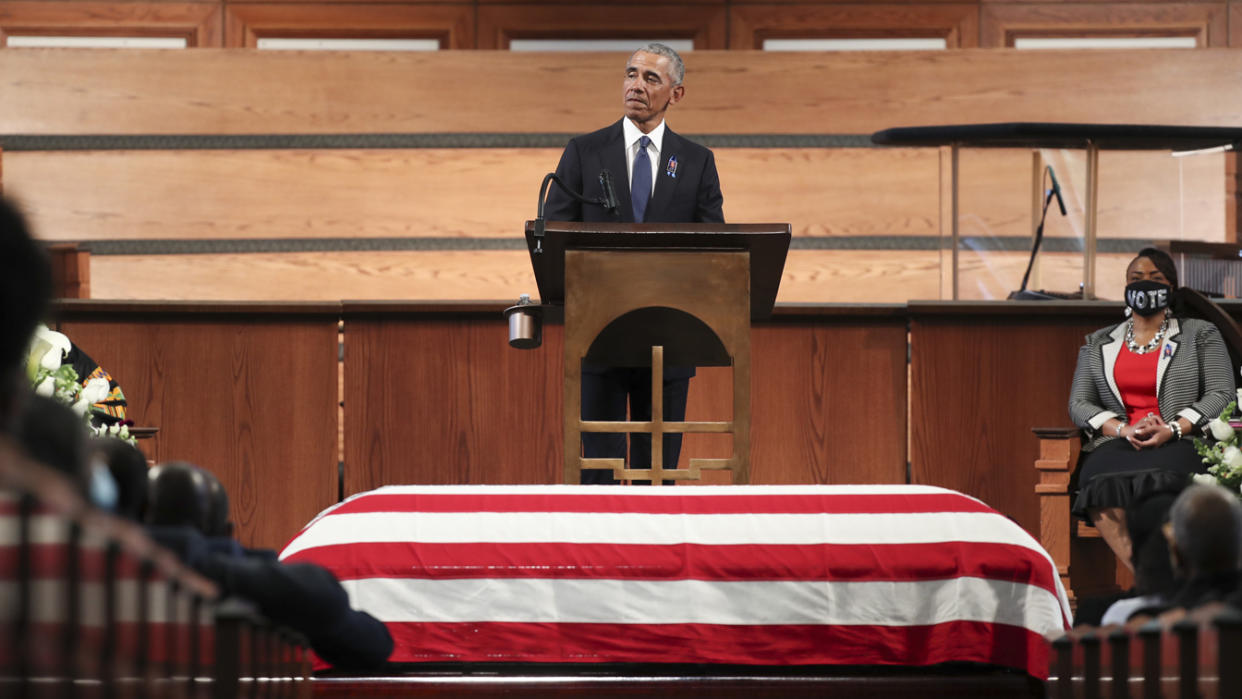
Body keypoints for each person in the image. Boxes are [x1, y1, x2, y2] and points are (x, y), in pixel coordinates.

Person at [544, 43, 725, 484]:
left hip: (669, 336)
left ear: (675, 94)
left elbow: (714, 248)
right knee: (600, 468)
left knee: (656, 473)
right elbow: (554, 235)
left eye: (650, 79)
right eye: (631, 74)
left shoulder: (697, 162)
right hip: (600, 331)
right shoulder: (585, 152)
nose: (636, 86)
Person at [1069, 248, 1236, 568]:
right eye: (1136, 278)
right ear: (1125, 288)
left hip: (1181, 439)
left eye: (1155, 279)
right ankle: (1151, 580)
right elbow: (1078, 403)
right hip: (1119, 441)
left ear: (1171, 288)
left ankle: (1172, 578)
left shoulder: (1199, 334)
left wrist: (1174, 428)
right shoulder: (1098, 342)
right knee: (1098, 485)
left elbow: (1221, 393)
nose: (1145, 285)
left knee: (1166, 481)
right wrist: (1122, 428)